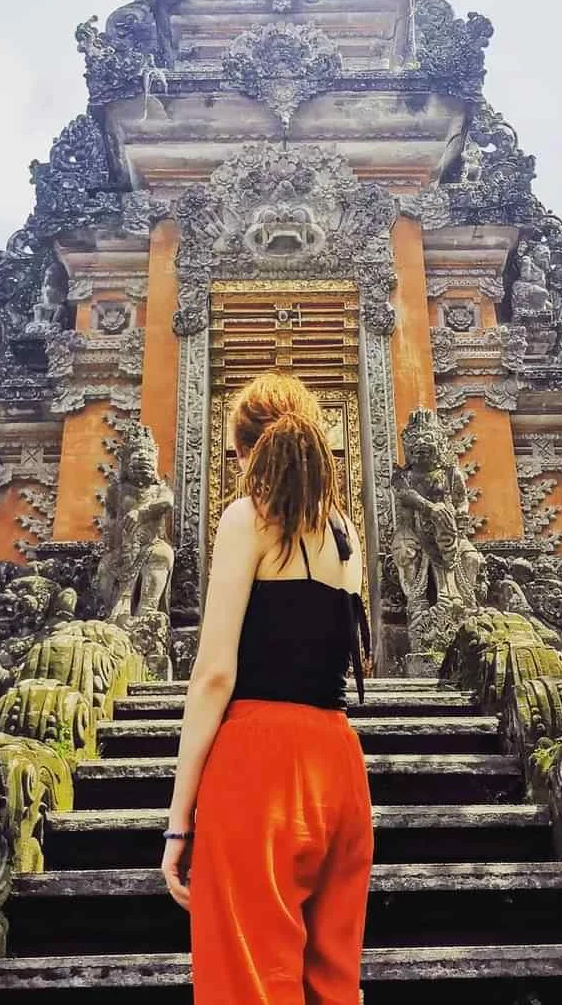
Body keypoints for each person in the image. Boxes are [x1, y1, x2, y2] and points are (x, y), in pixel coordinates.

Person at [160, 371, 373, 1004]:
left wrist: (178, 823)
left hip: (260, 765)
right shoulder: (347, 535)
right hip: (338, 766)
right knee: (332, 985)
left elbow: (214, 674)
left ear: (247, 451)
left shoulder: (247, 518)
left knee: (248, 984)